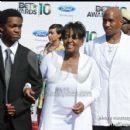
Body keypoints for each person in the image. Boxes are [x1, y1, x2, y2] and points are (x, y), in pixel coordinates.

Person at [24, 21, 101, 130]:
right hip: (52, 118)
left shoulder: (90, 63)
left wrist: (84, 103)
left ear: (82, 41)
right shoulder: (50, 58)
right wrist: (27, 86)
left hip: (78, 120)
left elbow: (96, 89)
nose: (69, 40)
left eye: (74, 37)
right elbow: (35, 79)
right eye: (66, 37)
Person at [85, 7, 130, 130]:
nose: (106, 24)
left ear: (121, 22)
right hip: (99, 111)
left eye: (110, 21)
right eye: (104, 21)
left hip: (125, 111)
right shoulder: (90, 46)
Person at [0, 8, 42, 130]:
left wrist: (18, 106)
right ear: (1, 27)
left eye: (20, 26)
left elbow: (37, 85)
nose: (17, 30)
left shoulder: (31, 55)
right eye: (13, 26)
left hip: (20, 121)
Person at [37, 23, 64, 125]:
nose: (49, 35)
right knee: (40, 112)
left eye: (52, 33)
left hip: (53, 87)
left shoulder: (62, 50)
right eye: (48, 32)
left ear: (59, 35)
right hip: (41, 86)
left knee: (49, 115)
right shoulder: (47, 46)